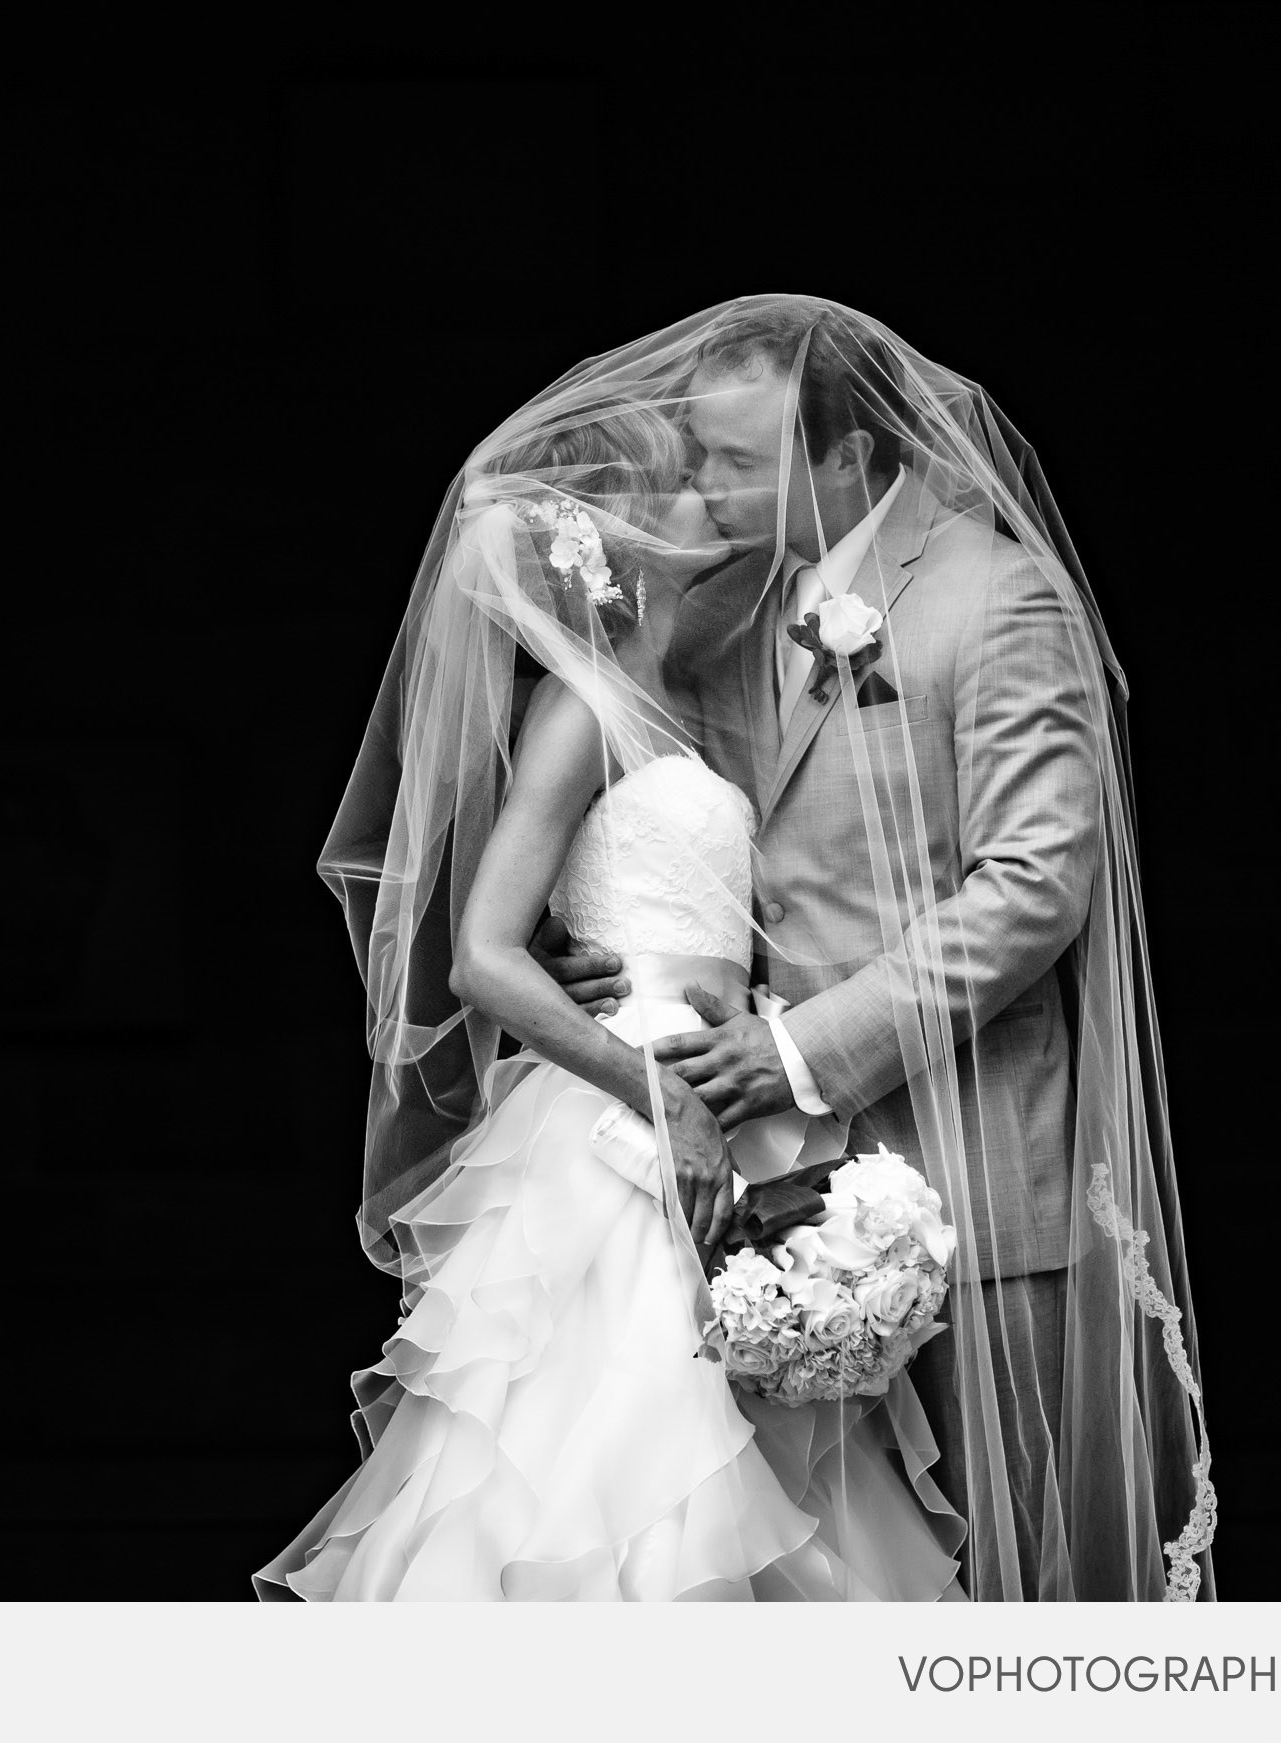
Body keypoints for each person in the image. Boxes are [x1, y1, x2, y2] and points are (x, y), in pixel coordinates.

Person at [293, 296, 1214, 1602]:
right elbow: (648, 813)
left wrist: (787, 1048)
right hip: (759, 1193)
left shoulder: (997, 596)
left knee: (1009, 1584)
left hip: (965, 1167)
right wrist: (581, 934)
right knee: (752, 1550)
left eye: (737, 459)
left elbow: (1032, 885)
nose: (706, 489)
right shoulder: (732, 612)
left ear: (844, 456)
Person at [255, 400, 965, 1600]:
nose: (714, 486)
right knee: (633, 1462)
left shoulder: (682, 703)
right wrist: (658, 1092)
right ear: (627, 534)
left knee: (763, 1454)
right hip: (627, 1117)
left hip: (727, 1092)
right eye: (688, 476)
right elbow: (484, 956)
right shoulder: (580, 703)